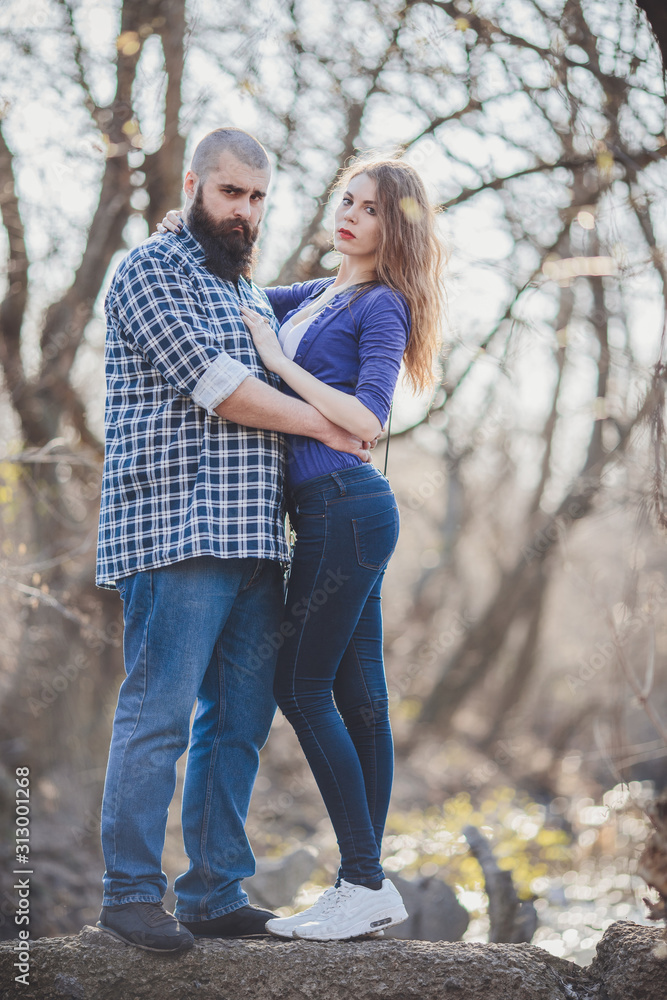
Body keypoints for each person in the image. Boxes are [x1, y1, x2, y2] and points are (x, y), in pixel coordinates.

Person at [95, 126, 372, 954]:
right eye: (230, 193)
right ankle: (129, 893)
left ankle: (213, 892)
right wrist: (332, 422)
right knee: (158, 718)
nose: (244, 211)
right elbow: (223, 389)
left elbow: (336, 311)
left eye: (256, 198)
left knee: (239, 723)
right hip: (175, 533)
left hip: (257, 538)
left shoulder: (248, 290)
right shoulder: (151, 270)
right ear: (192, 185)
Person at [162, 153, 443, 940]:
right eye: (344, 200)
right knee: (361, 701)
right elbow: (238, 293)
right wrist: (182, 232)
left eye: (370, 209)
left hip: (343, 510)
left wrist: (281, 363)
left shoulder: (382, 305)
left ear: (395, 229)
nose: (348, 215)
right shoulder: (320, 292)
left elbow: (367, 419)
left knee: (299, 685)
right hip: (331, 513)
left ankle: (360, 878)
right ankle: (367, 882)